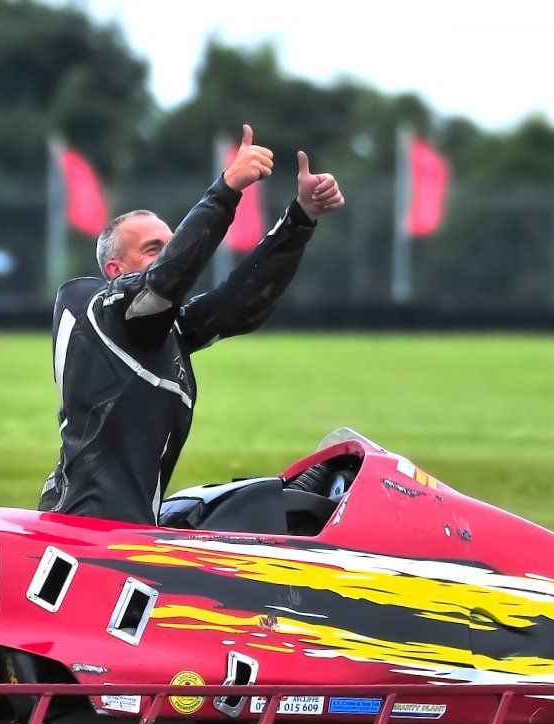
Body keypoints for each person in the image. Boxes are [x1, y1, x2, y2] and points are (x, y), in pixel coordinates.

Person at [38, 126, 345, 525]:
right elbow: (165, 279)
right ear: (116, 269)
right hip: (84, 528)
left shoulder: (168, 327)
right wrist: (227, 188)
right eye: (153, 249)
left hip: (127, 531)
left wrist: (300, 218)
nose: (171, 253)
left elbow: (241, 302)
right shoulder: (98, 307)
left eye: (173, 242)